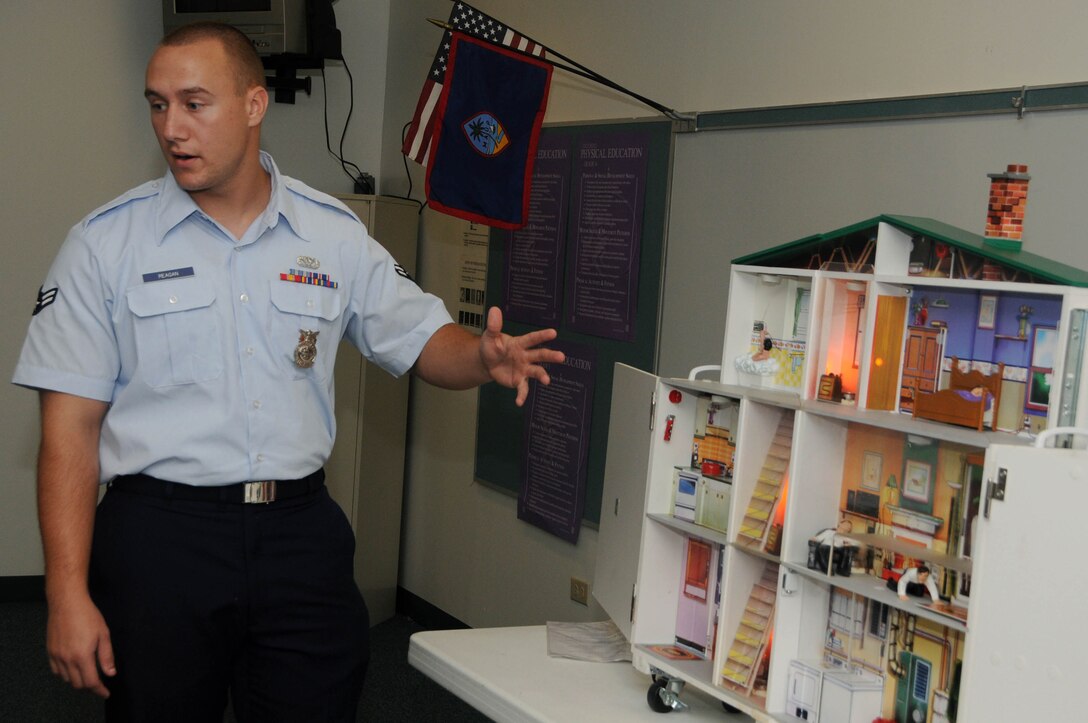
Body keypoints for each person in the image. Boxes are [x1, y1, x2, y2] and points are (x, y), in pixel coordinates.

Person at [12, 22, 564, 722]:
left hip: (298, 535)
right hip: (160, 538)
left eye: (194, 103)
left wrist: (480, 358)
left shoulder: (331, 233)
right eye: (157, 105)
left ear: (253, 104)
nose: (172, 127)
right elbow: (68, 432)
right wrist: (65, 593)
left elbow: (424, 340)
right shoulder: (104, 244)